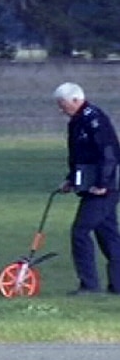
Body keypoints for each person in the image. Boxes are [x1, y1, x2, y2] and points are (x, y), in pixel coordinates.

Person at [53, 82, 120, 295]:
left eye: (62, 104)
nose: (61, 109)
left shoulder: (94, 120)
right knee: (108, 235)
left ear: (75, 100)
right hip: (92, 186)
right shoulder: (77, 122)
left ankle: (89, 285)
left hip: (104, 189)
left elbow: (108, 153)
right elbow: (80, 156)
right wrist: (71, 180)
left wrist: (102, 184)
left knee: (80, 231)